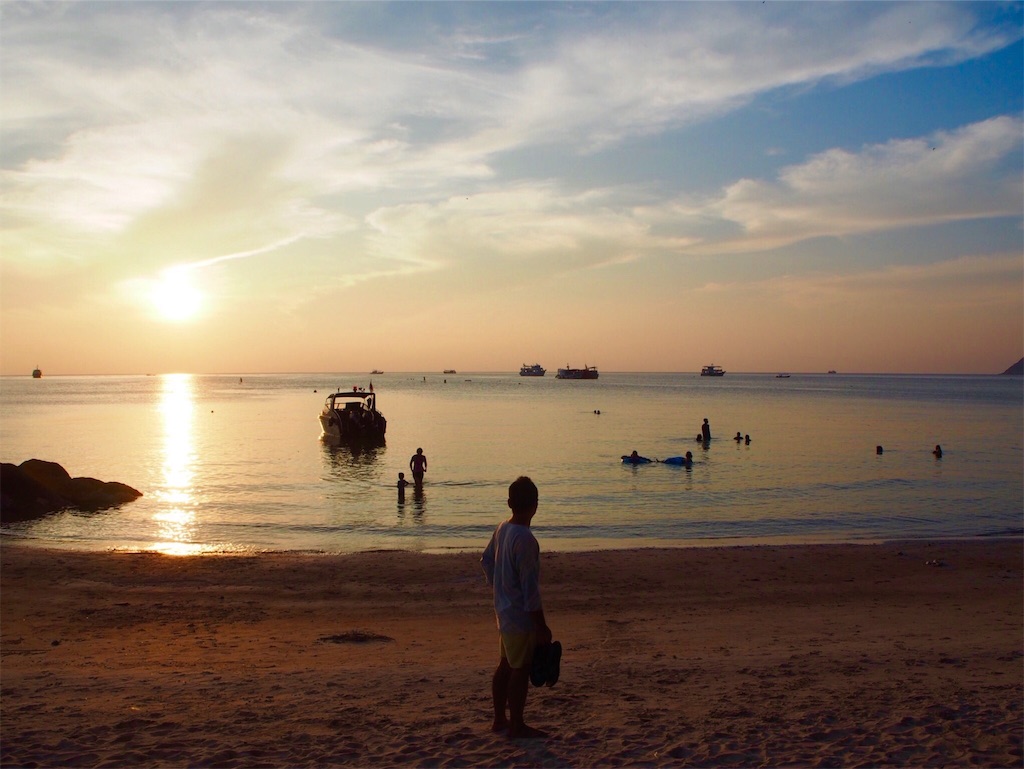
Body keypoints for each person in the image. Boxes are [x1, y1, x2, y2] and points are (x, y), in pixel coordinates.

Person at [481, 476, 552, 739]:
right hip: (520, 617)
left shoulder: (502, 528)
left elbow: (486, 561)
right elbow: (530, 590)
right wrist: (541, 625)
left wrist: (499, 589)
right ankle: (517, 724)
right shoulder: (525, 539)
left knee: (505, 665)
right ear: (535, 505)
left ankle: (500, 718)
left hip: (503, 611)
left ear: (509, 503)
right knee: (520, 669)